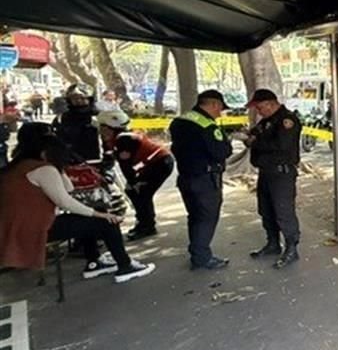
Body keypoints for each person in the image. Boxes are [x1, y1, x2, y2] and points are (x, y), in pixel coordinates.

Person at [0, 135, 154, 282]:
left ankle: (94, 263)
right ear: (48, 153)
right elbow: (65, 201)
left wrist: (58, 168)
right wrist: (99, 214)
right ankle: (125, 266)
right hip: (36, 228)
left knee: (86, 220)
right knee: (107, 222)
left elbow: (68, 188)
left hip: (15, 228)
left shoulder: (16, 167)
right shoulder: (43, 169)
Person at [169, 90, 233, 270]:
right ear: (213, 104)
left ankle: (196, 251)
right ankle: (202, 257)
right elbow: (222, 152)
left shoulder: (179, 121)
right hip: (206, 180)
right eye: (220, 108)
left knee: (195, 216)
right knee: (207, 217)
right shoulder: (208, 126)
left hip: (186, 177)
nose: (219, 113)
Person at [244, 89, 302, 268]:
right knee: (266, 210)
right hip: (266, 172)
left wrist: (256, 141)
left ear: (271, 103)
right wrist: (250, 137)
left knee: (283, 211)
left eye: (260, 108)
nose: (259, 112)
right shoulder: (267, 121)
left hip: (281, 173)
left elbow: (281, 145)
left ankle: (291, 248)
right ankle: (273, 243)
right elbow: (255, 133)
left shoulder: (287, 120)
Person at [97, 110, 173, 240]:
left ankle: (147, 226)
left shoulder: (124, 139)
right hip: (153, 164)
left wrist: (133, 182)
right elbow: (109, 158)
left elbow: (125, 165)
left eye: (103, 127)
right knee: (135, 192)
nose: (101, 131)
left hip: (160, 163)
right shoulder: (114, 138)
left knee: (141, 193)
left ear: (112, 128)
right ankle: (144, 223)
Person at [53, 84, 101, 161]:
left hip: (96, 159)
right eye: (74, 98)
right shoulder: (62, 118)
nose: (78, 101)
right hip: (71, 159)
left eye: (82, 98)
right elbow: (56, 139)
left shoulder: (100, 117)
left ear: (89, 99)